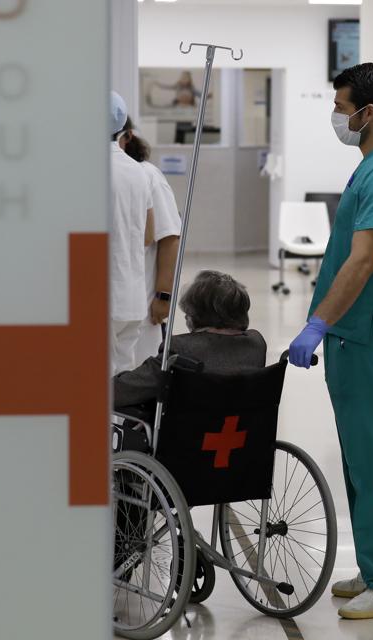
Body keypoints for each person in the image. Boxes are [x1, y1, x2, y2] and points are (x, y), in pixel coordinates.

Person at [286, 63, 373, 620]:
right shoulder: (372, 167)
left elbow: (364, 259)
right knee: (359, 460)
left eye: (342, 108)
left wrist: (319, 321)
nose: (337, 119)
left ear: (368, 113)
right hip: (355, 335)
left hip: (368, 336)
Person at [114, 270, 266, 408]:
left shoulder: (181, 351)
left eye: (188, 312)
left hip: (186, 437)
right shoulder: (256, 344)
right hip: (243, 436)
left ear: (195, 315)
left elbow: (119, 392)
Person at [109, 93, 177, 374]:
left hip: (110, 298)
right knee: (122, 383)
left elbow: (168, 237)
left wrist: (163, 296)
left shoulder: (83, 169)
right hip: (131, 299)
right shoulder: (136, 173)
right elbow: (148, 235)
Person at [119, 118, 182, 361]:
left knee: (137, 375)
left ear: (128, 137)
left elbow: (169, 238)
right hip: (109, 302)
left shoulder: (147, 175)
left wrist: (163, 296)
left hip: (142, 302)